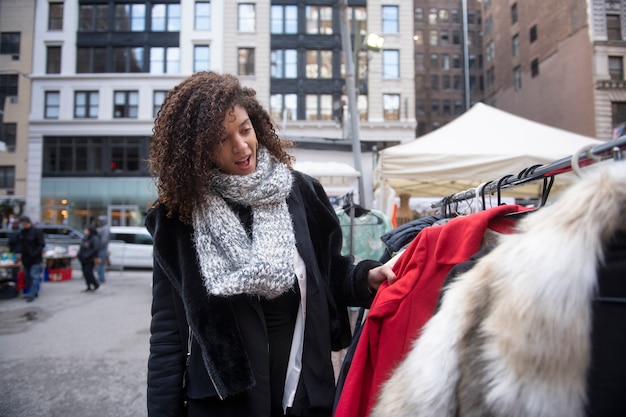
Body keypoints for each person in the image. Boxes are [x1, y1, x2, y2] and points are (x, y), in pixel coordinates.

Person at [145, 71, 397, 417]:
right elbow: (167, 336)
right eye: (221, 139)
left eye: (245, 129)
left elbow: (328, 273)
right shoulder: (177, 218)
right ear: (197, 149)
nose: (241, 146)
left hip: (305, 396)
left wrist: (363, 278)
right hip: (224, 407)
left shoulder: (301, 192)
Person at [17, 216, 45, 302]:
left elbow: (41, 244)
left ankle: (31, 294)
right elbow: (20, 244)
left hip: (35, 259)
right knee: (27, 276)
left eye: (23, 223)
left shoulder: (36, 232)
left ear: (27, 222)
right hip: (25, 258)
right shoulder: (22, 232)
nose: (22, 225)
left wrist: (35, 253)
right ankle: (33, 292)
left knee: (34, 276)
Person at [77, 226, 100, 292]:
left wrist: (88, 255)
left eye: (86, 230)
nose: (85, 231)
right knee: (85, 272)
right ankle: (88, 286)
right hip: (83, 258)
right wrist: (79, 255)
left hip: (90, 258)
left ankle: (95, 284)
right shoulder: (86, 238)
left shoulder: (94, 238)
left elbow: (95, 249)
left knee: (88, 272)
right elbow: (82, 247)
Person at [96, 215, 110, 283]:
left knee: (100, 264)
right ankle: (100, 277)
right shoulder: (102, 228)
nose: (98, 222)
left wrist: (98, 247)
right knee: (99, 264)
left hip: (101, 249)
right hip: (101, 248)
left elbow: (104, 240)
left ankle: (101, 278)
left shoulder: (105, 228)